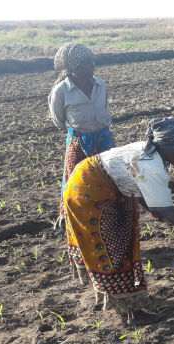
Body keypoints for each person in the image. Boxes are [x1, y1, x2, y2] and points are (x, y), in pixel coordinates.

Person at [63, 117, 174, 323]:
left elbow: (141, 187)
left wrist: (152, 207)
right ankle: (128, 312)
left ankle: (127, 302)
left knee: (126, 241)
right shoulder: (151, 164)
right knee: (113, 251)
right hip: (89, 193)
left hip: (111, 188)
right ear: (168, 146)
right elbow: (165, 210)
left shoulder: (153, 154)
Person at [49, 43, 114, 220]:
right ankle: (68, 216)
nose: (91, 67)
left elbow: (104, 107)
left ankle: (107, 212)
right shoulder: (61, 91)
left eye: (91, 63)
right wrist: (78, 132)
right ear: (73, 70)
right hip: (79, 139)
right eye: (86, 65)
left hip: (103, 136)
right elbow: (58, 119)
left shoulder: (100, 84)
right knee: (74, 179)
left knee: (109, 176)